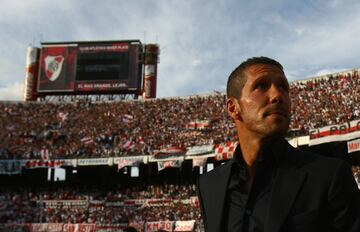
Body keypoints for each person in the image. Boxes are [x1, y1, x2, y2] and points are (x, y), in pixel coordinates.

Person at [197, 57, 360, 232]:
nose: (277, 95)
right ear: (233, 108)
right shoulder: (209, 184)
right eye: (261, 86)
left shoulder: (330, 177)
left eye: (283, 87)